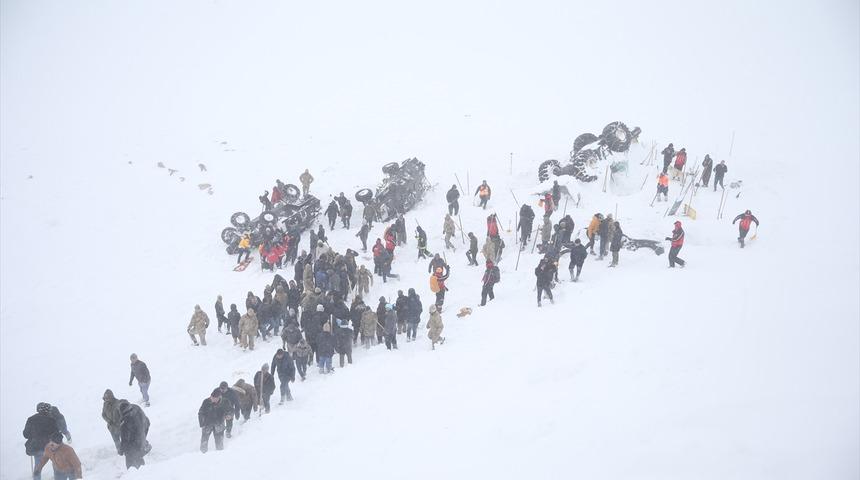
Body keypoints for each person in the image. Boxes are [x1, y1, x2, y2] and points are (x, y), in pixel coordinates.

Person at [23, 403, 59, 476]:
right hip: (50, 447)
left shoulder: (31, 419)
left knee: (38, 466)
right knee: (56, 464)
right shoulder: (52, 420)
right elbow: (56, 435)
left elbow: (26, 434)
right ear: (48, 410)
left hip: (36, 447)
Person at [118, 400, 150, 469]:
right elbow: (147, 422)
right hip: (140, 442)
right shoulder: (136, 410)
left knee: (132, 468)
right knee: (141, 465)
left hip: (131, 448)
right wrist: (143, 437)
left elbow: (124, 439)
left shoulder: (125, 422)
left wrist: (121, 450)